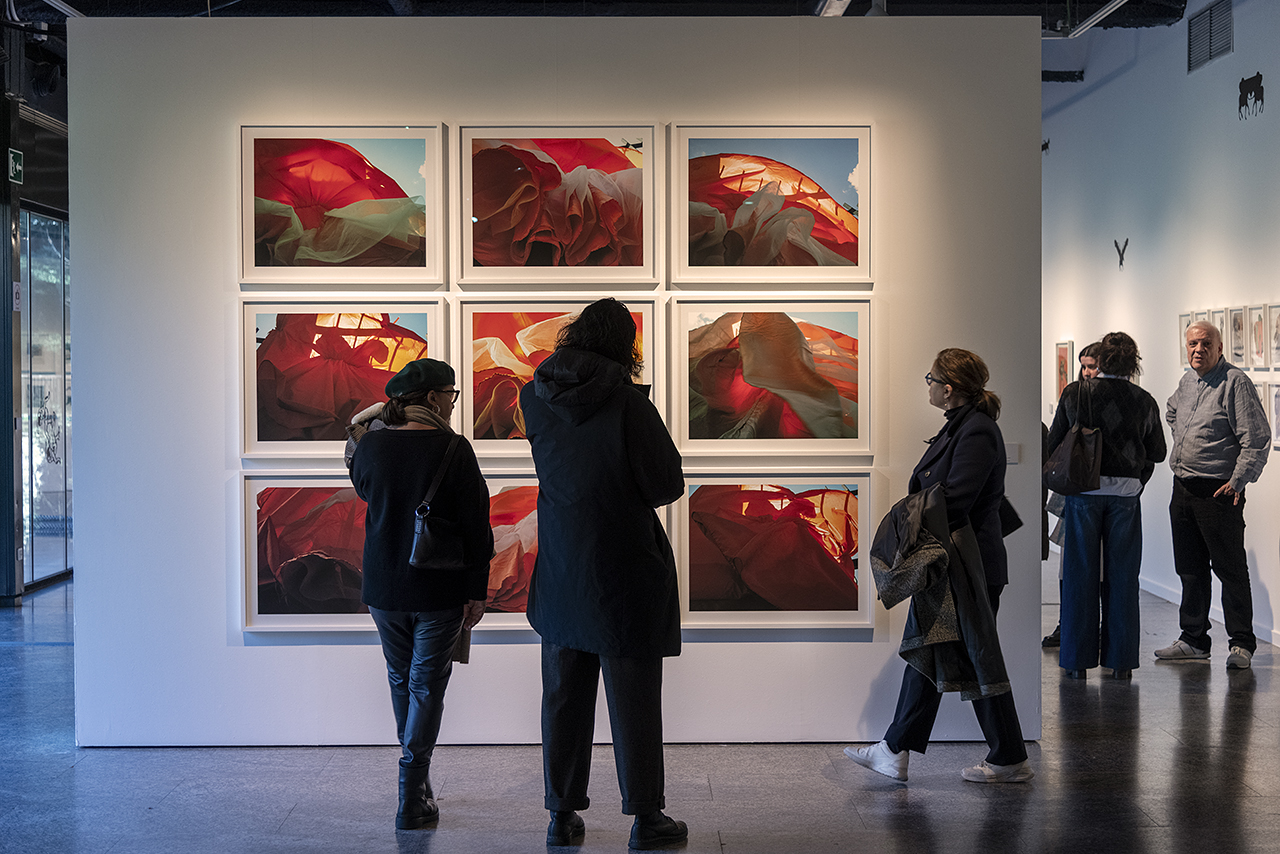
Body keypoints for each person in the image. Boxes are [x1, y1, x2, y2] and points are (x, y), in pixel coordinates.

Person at [520, 298, 689, 849]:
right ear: (625, 346)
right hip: (624, 569)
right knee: (634, 696)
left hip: (564, 568)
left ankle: (561, 814)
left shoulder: (534, 397)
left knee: (563, 696)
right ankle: (645, 818)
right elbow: (666, 485)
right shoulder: (627, 405)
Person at [846, 349, 1032, 784]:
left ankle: (1009, 758)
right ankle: (896, 750)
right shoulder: (962, 427)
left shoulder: (978, 431)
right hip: (951, 564)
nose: (926, 384)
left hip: (969, 568)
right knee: (929, 653)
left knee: (973, 654)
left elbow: (956, 498)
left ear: (947, 389)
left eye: (930, 378)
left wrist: (902, 512)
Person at [348, 358, 492, 829]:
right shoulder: (454, 449)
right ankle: (412, 790)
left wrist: (373, 416)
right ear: (432, 398)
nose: (453, 404)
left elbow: (363, 484)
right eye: (449, 396)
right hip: (439, 587)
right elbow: (476, 528)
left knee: (399, 678)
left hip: (384, 587)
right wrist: (476, 590)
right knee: (426, 683)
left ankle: (417, 784)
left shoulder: (369, 448)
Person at [1047, 332, 1166, 679]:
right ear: (1133, 361)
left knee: (1079, 576)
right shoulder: (1144, 400)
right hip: (1126, 496)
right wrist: (1135, 477)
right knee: (1124, 579)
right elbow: (1157, 452)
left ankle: (1075, 661)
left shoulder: (1076, 393)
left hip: (1083, 494)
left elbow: (1055, 442)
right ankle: (1122, 662)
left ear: (1101, 360)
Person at [1156, 320, 1270, 669]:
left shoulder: (1235, 383)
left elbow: (1258, 438)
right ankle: (1193, 639)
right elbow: (1171, 409)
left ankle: (1241, 645)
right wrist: (1185, 439)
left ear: (1219, 348)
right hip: (1184, 487)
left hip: (1219, 491)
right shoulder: (1187, 381)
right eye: (1192, 344)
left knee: (1230, 569)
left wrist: (1238, 480)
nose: (1198, 350)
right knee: (1189, 569)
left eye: (1205, 344)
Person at [1042, 341, 1101, 648]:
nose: (1088, 372)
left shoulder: (1100, 397)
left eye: (1093, 365)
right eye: (1085, 366)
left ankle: (1085, 627)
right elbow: (1055, 435)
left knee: (1098, 564)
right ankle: (1068, 624)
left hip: (1097, 491)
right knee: (1069, 562)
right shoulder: (1074, 393)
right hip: (1076, 488)